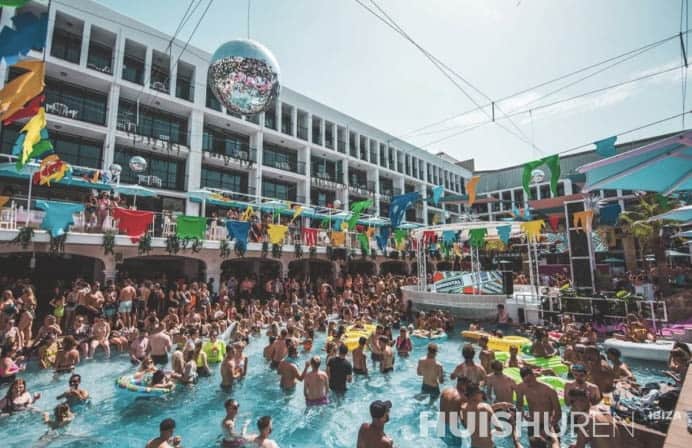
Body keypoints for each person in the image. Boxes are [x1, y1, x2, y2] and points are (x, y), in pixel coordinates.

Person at [516, 367, 561, 443]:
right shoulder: (521, 387)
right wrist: (524, 414)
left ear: (534, 376)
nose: (528, 383)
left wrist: (549, 426)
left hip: (549, 423)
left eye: (530, 380)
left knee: (554, 444)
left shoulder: (549, 390)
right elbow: (519, 404)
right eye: (526, 381)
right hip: (534, 423)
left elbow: (558, 412)